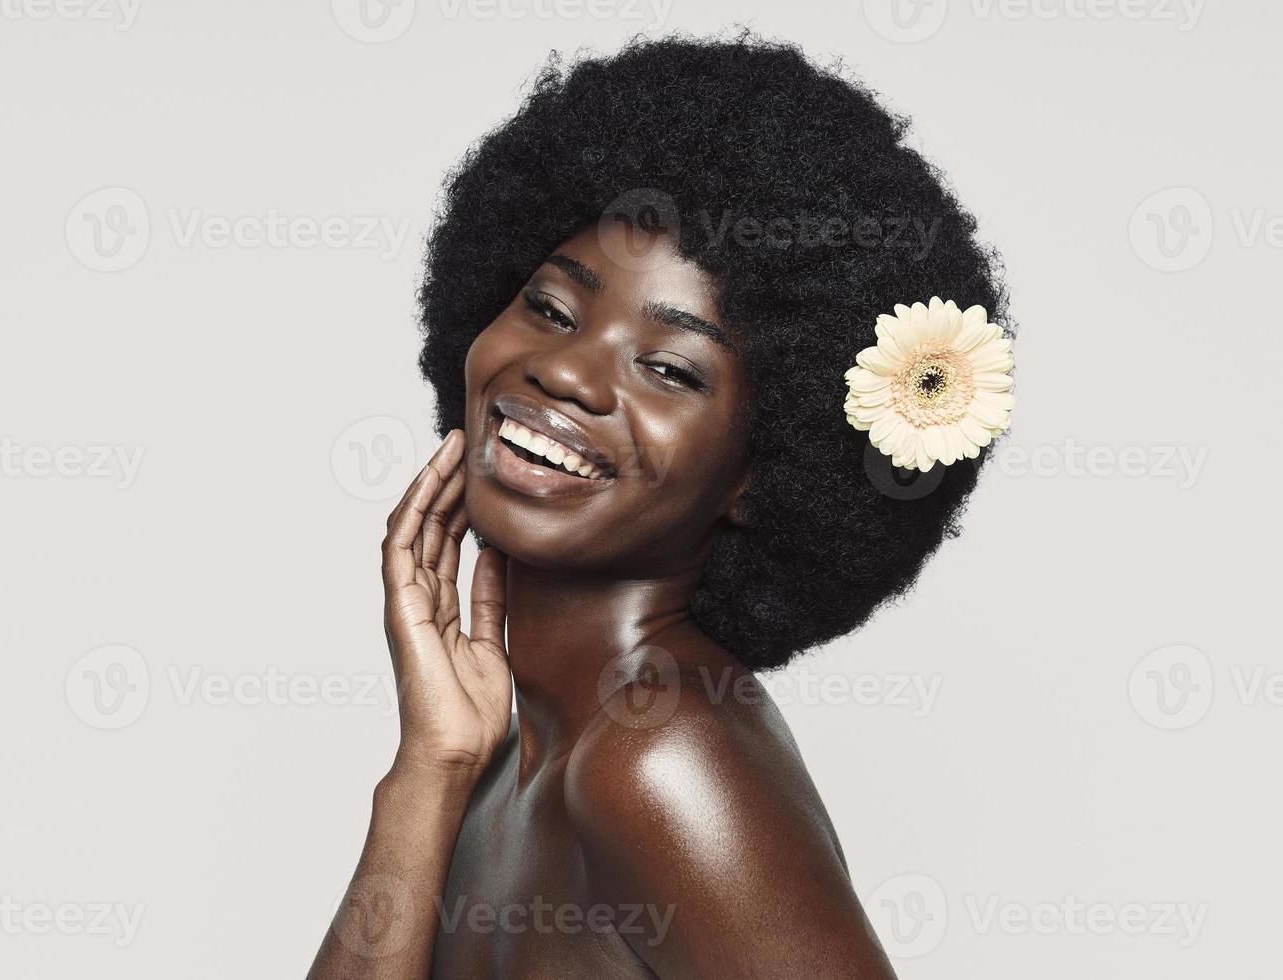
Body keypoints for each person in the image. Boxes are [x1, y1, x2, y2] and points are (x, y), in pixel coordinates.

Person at [307, 31, 1013, 979]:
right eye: (551, 308)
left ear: (762, 474)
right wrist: (427, 770)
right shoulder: (507, 756)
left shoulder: (663, 756)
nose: (562, 369)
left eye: (669, 369)